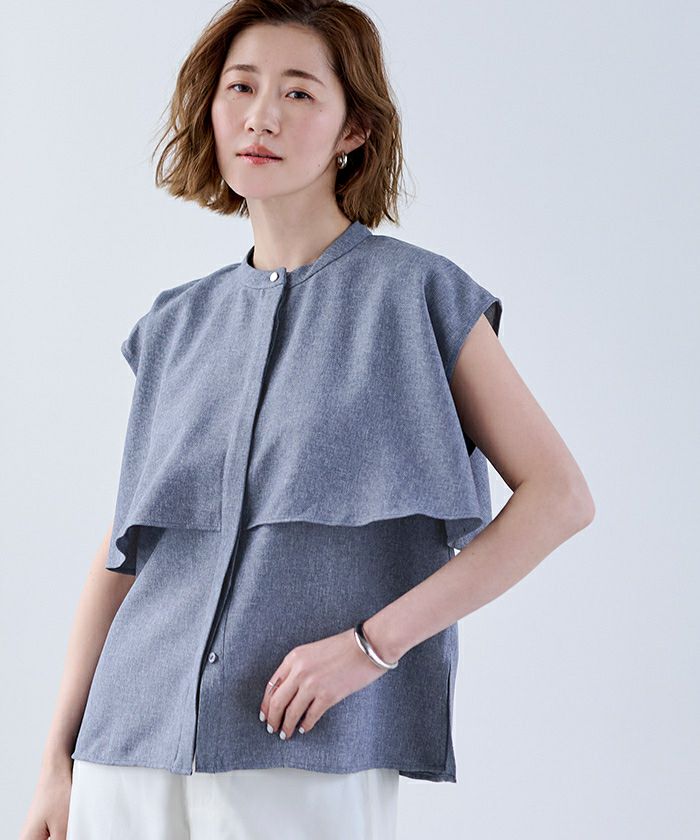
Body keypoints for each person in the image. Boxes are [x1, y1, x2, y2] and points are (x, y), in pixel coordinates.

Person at [19, 1, 595, 838]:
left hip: (301, 744)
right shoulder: (174, 325)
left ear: (353, 129)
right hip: (125, 746)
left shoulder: (419, 296)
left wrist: (371, 646)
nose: (261, 116)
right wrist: (55, 761)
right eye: (241, 87)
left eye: (297, 93)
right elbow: (121, 559)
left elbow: (560, 498)